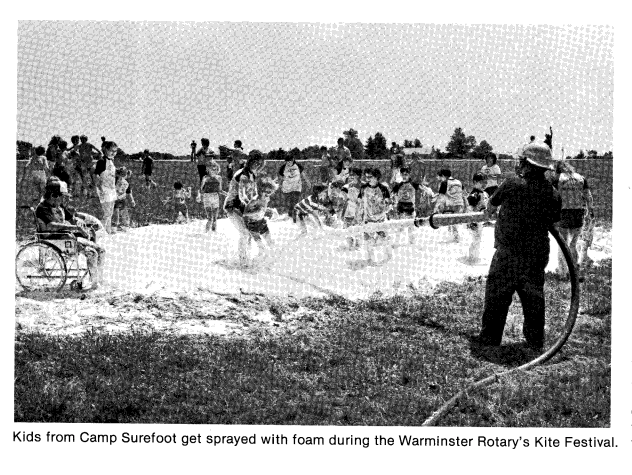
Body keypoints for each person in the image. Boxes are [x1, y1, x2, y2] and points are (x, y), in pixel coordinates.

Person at [475, 143, 562, 351]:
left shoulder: (512, 183)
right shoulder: (553, 194)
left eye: (521, 161)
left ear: (526, 164)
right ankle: (535, 342)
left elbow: (491, 206)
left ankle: (489, 339)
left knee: (497, 296)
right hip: (537, 253)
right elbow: (554, 220)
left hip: (508, 253)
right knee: (534, 299)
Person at [35, 180, 106, 289]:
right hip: (56, 240)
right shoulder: (42, 208)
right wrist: (75, 227)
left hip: (67, 237)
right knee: (92, 253)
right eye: (62, 196)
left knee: (101, 250)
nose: (64, 199)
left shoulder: (59, 206)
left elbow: (71, 218)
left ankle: (99, 279)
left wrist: (78, 222)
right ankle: (94, 284)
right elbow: (52, 226)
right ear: (54, 195)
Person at [552, 160, 593, 277]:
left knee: (563, 244)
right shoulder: (581, 178)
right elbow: (588, 196)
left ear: (558, 169)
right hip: (578, 213)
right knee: (573, 245)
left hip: (564, 212)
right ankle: (574, 271)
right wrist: (591, 210)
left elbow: (552, 197)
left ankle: (562, 272)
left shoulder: (557, 179)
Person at [224, 151, 265, 266]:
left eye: (259, 163)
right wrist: (252, 205)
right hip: (232, 206)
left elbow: (254, 193)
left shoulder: (253, 173)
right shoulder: (243, 175)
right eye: (255, 162)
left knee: (249, 234)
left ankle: (246, 258)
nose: (257, 165)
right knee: (245, 233)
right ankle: (242, 260)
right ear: (250, 161)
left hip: (243, 207)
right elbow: (242, 196)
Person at [360, 168, 393, 264]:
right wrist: (359, 216)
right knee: (368, 241)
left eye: (370, 177)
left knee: (385, 240)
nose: (367, 179)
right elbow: (360, 203)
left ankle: (388, 258)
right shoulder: (363, 188)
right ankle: (370, 259)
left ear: (376, 178)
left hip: (380, 219)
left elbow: (388, 204)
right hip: (368, 219)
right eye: (366, 177)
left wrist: (387, 207)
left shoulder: (383, 188)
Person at [242, 178, 279, 261]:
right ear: (261, 190)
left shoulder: (267, 198)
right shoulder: (255, 200)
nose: (267, 194)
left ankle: (275, 258)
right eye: (266, 192)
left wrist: (271, 211)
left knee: (270, 242)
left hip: (261, 222)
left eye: (270, 192)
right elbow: (245, 214)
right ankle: (257, 261)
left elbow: (263, 209)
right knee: (261, 245)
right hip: (252, 225)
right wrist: (256, 211)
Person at [391, 167, 421, 245]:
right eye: (402, 175)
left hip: (410, 207)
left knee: (411, 226)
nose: (404, 176)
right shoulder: (398, 185)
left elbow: (423, 189)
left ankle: (412, 243)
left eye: (406, 174)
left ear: (409, 175)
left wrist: (430, 193)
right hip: (401, 207)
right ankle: (396, 242)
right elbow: (391, 194)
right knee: (399, 226)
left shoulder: (413, 184)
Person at [465, 173, 490, 264]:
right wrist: (471, 222)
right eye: (482, 182)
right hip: (474, 221)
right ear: (475, 182)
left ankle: (474, 257)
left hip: (480, 221)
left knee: (478, 239)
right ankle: (472, 258)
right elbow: (469, 208)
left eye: (485, 182)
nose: (484, 184)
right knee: (476, 239)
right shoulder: (474, 194)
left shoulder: (484, 193)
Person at [93, 141, 118, 233]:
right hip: (104, 189)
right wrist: (99, 188)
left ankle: (108, 230)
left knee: (110, 212)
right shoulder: (101, 161)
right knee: (107, 212)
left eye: (115, 151)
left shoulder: (111, 161)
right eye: (112, 151)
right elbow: (96, 175)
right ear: (106, 150)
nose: (114, 153)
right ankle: (101, 231)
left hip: (112, 189)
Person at [434, 169, 464, 242]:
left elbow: (441, 198)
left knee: (451, 222)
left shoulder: (444, 183)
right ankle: (454, 237)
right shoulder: (458, 182)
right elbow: (462, 193)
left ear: (443, 176)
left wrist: (436, 208)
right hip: (461, 204)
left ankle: (455, 237)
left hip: (452, 205)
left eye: (440, 177)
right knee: (452, 222)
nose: (439, 179)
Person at [278, 154, 305, 221]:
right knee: (290, 202)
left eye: (289, 162)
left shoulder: (298, 166)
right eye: (287, 162)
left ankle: (294, 216)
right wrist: (280, 183)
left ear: (293, 160)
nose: (288, 163)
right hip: (288, 187)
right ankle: (291, 214)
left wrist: (307, 181)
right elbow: (280, 175)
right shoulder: (284, 167)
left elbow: (303, 174)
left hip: (297, 186)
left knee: (295, 200)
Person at [341, 168, 363, 248]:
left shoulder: (362, 186)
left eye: (354, 175)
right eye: (351, 175)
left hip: (358, 209)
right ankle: (350, 245)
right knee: (347, 228)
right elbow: (343, 193)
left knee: (358, 228)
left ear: (358, 176)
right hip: (349, 210)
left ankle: (357, 245)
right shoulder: (348, 185)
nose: (352, 176)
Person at [200, 161, 223, 233]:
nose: (214, 171)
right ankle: (206, 232)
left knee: (215, 219)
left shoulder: (219, 178)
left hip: (215, 197)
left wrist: (228, 194)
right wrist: (200, 196)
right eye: (212, 169)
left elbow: (220, 190)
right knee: (210, 218)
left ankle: (214, 233)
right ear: (208, 169)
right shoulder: (205, 178)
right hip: (207, 197)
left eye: (216, 169)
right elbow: (201, 189)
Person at [113, 167, 135, 232]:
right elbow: (128, 193)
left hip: (115, 198)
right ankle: (125, 225)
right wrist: (132, 201)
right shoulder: (126, 182)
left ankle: (115, 226)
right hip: (121, 198)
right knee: (122, 211)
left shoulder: (114, 179)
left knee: (116, 211)